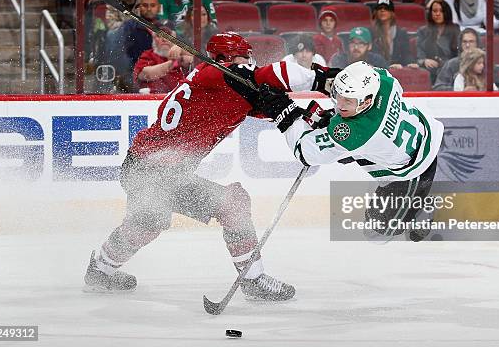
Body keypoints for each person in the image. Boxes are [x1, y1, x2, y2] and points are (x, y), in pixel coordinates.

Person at [84, 32, 339, 297]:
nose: (249, 62)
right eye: (243, 57)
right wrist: (325, 79)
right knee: (232, 203)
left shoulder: (225, 84)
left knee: (148, 222)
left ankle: (100, 270)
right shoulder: (217, 74)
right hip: (153, 170)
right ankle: (253, 279)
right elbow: (274, 75)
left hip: (146, 167)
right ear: (227, 58)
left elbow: (274, 105)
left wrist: (313, 116)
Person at [256, 60, 444, 239]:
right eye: (339, 96)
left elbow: (305, 153)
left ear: (366, 102)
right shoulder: (385, 83)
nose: (340, 104)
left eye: (348, 101)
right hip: (422, 132)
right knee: (347, 150)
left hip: (416, 169)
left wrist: (284, 112)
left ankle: (422, 209)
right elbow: (363, 75)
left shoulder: (357, 132)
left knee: (380, 226)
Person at [116, 0, 163, 92]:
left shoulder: (166, 27)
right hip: (134, 73)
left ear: (159, 8)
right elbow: (122, 54)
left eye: (153, 5)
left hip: (161, 73)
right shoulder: (128, 27)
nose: (149, 9)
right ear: (139, 7)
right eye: (145, 5)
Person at [133, 28, 193, 93]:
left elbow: (197, 63)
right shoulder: (148, 55)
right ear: (153, 40)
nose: (164, 39)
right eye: (159, 36)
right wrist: (174, 63)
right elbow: (145, 74)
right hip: (153, 99)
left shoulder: (182, 53)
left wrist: (182, 50)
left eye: (168, 36)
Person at [417, 0, 460, 84]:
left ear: (446, 13)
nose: (437, 14)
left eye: (441, 11)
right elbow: (419, 54)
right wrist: (424, 61)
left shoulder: (454, 29)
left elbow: (459, 54)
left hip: (449, 70)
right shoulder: (423, 31)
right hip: (430, 70)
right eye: (435, 11)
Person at [370, 0, 417, 69]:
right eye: (379, 8)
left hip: (396, 69)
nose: (382, 10)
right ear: (376, 12)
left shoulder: (401, 33)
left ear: (392, 13)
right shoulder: (370, 32)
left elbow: (406, 54)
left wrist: (411, 63)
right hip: (377, 69)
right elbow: (369, 55)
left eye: (386, 8)